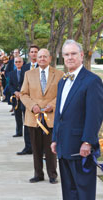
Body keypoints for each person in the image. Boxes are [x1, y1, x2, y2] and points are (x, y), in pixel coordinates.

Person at [51, 40, 103, 200]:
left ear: (82, 55)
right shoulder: (63, 80)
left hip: (81, 145)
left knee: (84, 187)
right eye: (66, 55)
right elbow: (60, 114)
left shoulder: (92, 81)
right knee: (68, 187)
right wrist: (55, 138)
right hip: (64, 143)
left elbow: (95, 115)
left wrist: (88, 142)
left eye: (73, 54)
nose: (70, 57)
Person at [21, 48, 64, 184]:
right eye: (40, 57)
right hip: (34, 118)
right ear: (36, 59)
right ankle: (38, 174)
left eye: (45, 56)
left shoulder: (59, 74)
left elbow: (62, 94)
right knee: (36, 147)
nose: (42, 59)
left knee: (51, 148)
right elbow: (23, 93)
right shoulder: (29, 74)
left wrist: (52, 105)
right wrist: (32, 106)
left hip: (51, 116)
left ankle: (52, 174)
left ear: (50, 58)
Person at [17, 45, 39, 155]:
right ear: (29, 54)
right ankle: (28, 147)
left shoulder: (43, 66)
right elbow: (21, 83)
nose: (34, 54)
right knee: (27, 125)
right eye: (32, 52)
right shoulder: (25, 68)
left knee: (40, 125)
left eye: (36, 52)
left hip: (40, 101)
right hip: (26, 101)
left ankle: (41, 149)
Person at [9, 56, 24, 137]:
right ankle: (19, 131)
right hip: (16, 98)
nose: (18, 63)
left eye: (19, 62)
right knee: (17, 116)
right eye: (16, 62)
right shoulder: (12, 73)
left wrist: (22, 93)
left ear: (22, 62)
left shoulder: (26, 73)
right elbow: (10, 85)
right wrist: (15, 92)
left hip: (24, 97)